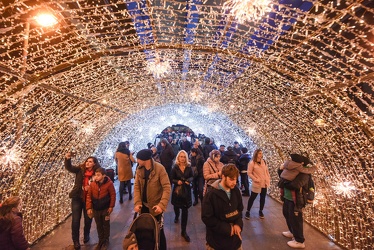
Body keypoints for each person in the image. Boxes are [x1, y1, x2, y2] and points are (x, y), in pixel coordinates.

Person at [133, 149, 171, 250]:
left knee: (158, 231)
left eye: (138, 159)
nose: (137, 161)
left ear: (145, 159)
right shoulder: (139, 169)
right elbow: (136, 187)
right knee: (144, 231)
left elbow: (167, 187)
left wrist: (161, 205)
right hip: (143, 207)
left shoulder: (159, 169)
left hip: (155, 207)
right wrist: (137, 202)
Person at [202, 164, 243, 250]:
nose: (234, 183)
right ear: (223, 176)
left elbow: (239, 209)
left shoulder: (236, 191)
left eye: (236, 180)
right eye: (231, 179)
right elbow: (207, 218)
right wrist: (227, 228)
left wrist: (238, 224)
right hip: (216, 243)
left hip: (235, 242)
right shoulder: (211, 194)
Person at [65, 152, 100, 249]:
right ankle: (76, 241)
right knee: (75, 220)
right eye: (87, 161)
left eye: (90, 162)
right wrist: (67, 159)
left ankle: (86, 235)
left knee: (88, 219)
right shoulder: (80, 170)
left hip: (89, 200)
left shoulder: (97, 173)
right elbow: (70, 168)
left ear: (94, 164)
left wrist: (92, 187)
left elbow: (101, 184)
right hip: (77, 198)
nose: (87, 163)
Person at [86, 167, 116, 250]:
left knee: (105, 224)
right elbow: (89, 196)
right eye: (95, 175)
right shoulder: (92, 184)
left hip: (105, 209)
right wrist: (89, 207)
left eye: (98, 175)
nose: (96, 177)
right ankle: (101, 240)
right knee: (98, 225)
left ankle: (106, 240)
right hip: (96, 209)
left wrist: (111, 206)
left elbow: (113, 195)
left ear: (104, 175)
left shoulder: (109, 184)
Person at [170, 150, 193, 242]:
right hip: (177, 191)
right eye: (181, 156)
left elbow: (192, 176)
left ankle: (183, 231)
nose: (182, 158)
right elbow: (171, 178)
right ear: (178, 157)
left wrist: (189, 180)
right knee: (176, 206)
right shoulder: (174, 167)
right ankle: (176, 215)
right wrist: (177, 181)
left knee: (185, 210)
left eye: (184, 157)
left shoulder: (189, 166)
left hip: (186, 191)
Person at [244, 149, 270, 219]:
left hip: (264, 183)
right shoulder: (252, 163)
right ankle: (248, 211)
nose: (261, 155)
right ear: (256, 154)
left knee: (263, 198)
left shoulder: (264, 161)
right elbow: (249, 173)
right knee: (253, 197)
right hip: (257, 183)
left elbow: (266, 171)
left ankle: (261, 211)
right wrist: (255, 179)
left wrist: (268, 179)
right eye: (259, 153)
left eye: (261, 153)